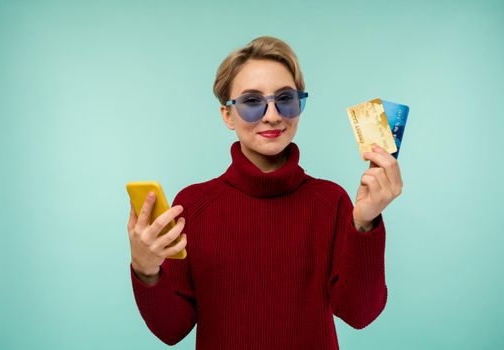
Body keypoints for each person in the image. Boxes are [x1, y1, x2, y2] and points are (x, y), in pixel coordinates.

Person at [126, 36, 403, 349]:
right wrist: (145, 269)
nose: (272, 115)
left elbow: (359, 314)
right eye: (252, 102)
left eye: (285, 98)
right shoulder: (192, 206)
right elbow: (171, 329)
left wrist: (366, 223)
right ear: (227, 115)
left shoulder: (332, 202)